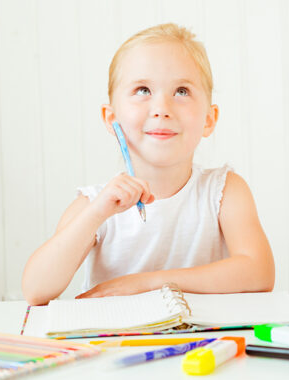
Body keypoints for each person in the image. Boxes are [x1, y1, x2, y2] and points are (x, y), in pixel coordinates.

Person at [22, 23, 274, 305]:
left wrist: (148, 284)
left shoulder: (225, 191)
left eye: (181, 91)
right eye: (143, 90)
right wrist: (95, 214)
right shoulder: (94, 204)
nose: (162, 109)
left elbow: (259, 273)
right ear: (111, 118)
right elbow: (36, 290)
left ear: (209, 119)